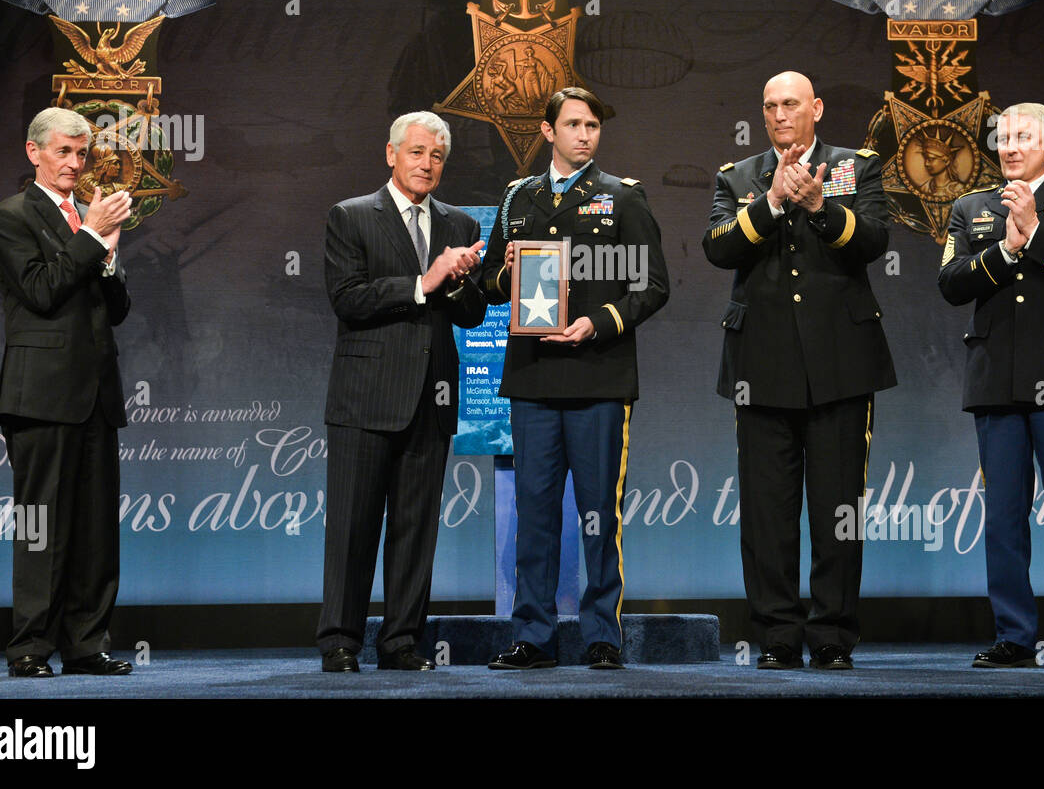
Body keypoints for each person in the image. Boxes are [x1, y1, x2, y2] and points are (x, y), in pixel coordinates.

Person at [702, 71, 896, 671]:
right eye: (769, 106)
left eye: (791, 104)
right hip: (760, 366)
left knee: (839, 506)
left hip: (841, 363)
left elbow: (873, 241)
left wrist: (819, 206)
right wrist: (773, 202)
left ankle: (833, 634)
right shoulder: (737, 177)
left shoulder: (857, 166)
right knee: (767, 510)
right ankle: (778, 636)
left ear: (816, 107)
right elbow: (718, 248)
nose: (780, 114)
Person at [481, 86, 669, 670]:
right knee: (535, 513)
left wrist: (599, 322)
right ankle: (531, 637)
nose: (585, 134)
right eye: (574, 125)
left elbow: (653, 285)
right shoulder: (518, 198)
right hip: (534, 378)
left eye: (592, 125)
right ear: (547, 132)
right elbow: (488, 283)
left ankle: (602, 637)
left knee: (597, 513)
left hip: (598, 378)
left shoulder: (622, 198)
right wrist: (505, 274)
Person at [938, 102, 1044, 670]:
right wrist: (1005, 249)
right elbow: (950, 282)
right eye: (1002, 137)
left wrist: (1036, 232)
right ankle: (1014, 636)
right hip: (997, 381)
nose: (1010, 146)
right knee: (1003, 515)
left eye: (1022, 136)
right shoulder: (970, 207)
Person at [316, 111, 486, 673]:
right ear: (391, 155)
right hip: (365, 398)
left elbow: (471, 312)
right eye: (416, 152)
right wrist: (424, 282)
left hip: (431, 398)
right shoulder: (351, 216)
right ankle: (340, 641)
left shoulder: (459, 224)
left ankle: (400, 642)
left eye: (437, 156)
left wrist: (465, 282)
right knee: (352, 528)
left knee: (415, 530)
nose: (427, 164)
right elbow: (348, 298)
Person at [0, 107, 134, 677]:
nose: (75, 163)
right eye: (63, 152)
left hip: (97, 395)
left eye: (82, 153)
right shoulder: (11, 216)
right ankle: (29, 646)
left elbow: (116, 311)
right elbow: (41, 291)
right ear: (35, 154)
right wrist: (94, 236)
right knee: (39, 524)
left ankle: (86, 644)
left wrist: (110, 258)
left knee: (96, 528)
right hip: (40, 398)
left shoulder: (87, 219)